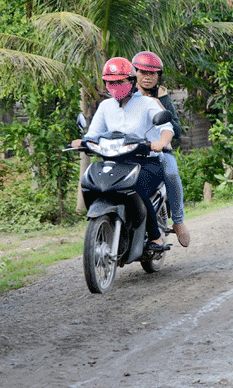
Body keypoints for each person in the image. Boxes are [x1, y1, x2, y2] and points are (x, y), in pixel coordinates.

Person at [72, 57, 173, 252]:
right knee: (93, 184)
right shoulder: (105, 107)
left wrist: (161, 142)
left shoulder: (146, 103)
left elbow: (166, 127)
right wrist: (83, 141)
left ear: (132, 81)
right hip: (114, 163)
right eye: (110, 82)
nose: (115, 86)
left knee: (138, 186)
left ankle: (156, 237)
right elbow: (93, 135)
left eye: (120, 82)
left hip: (146, 163)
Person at [131, 50, 190, 247]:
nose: (147, 77)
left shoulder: (164, 97)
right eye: (142, 72)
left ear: (158, 76)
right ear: (135, 73)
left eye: (152, 73)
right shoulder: (127, 96)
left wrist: (161, 108)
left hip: (159, 151)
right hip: (130, 150)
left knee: (171, 175)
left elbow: (178, 130)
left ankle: (179, 221)